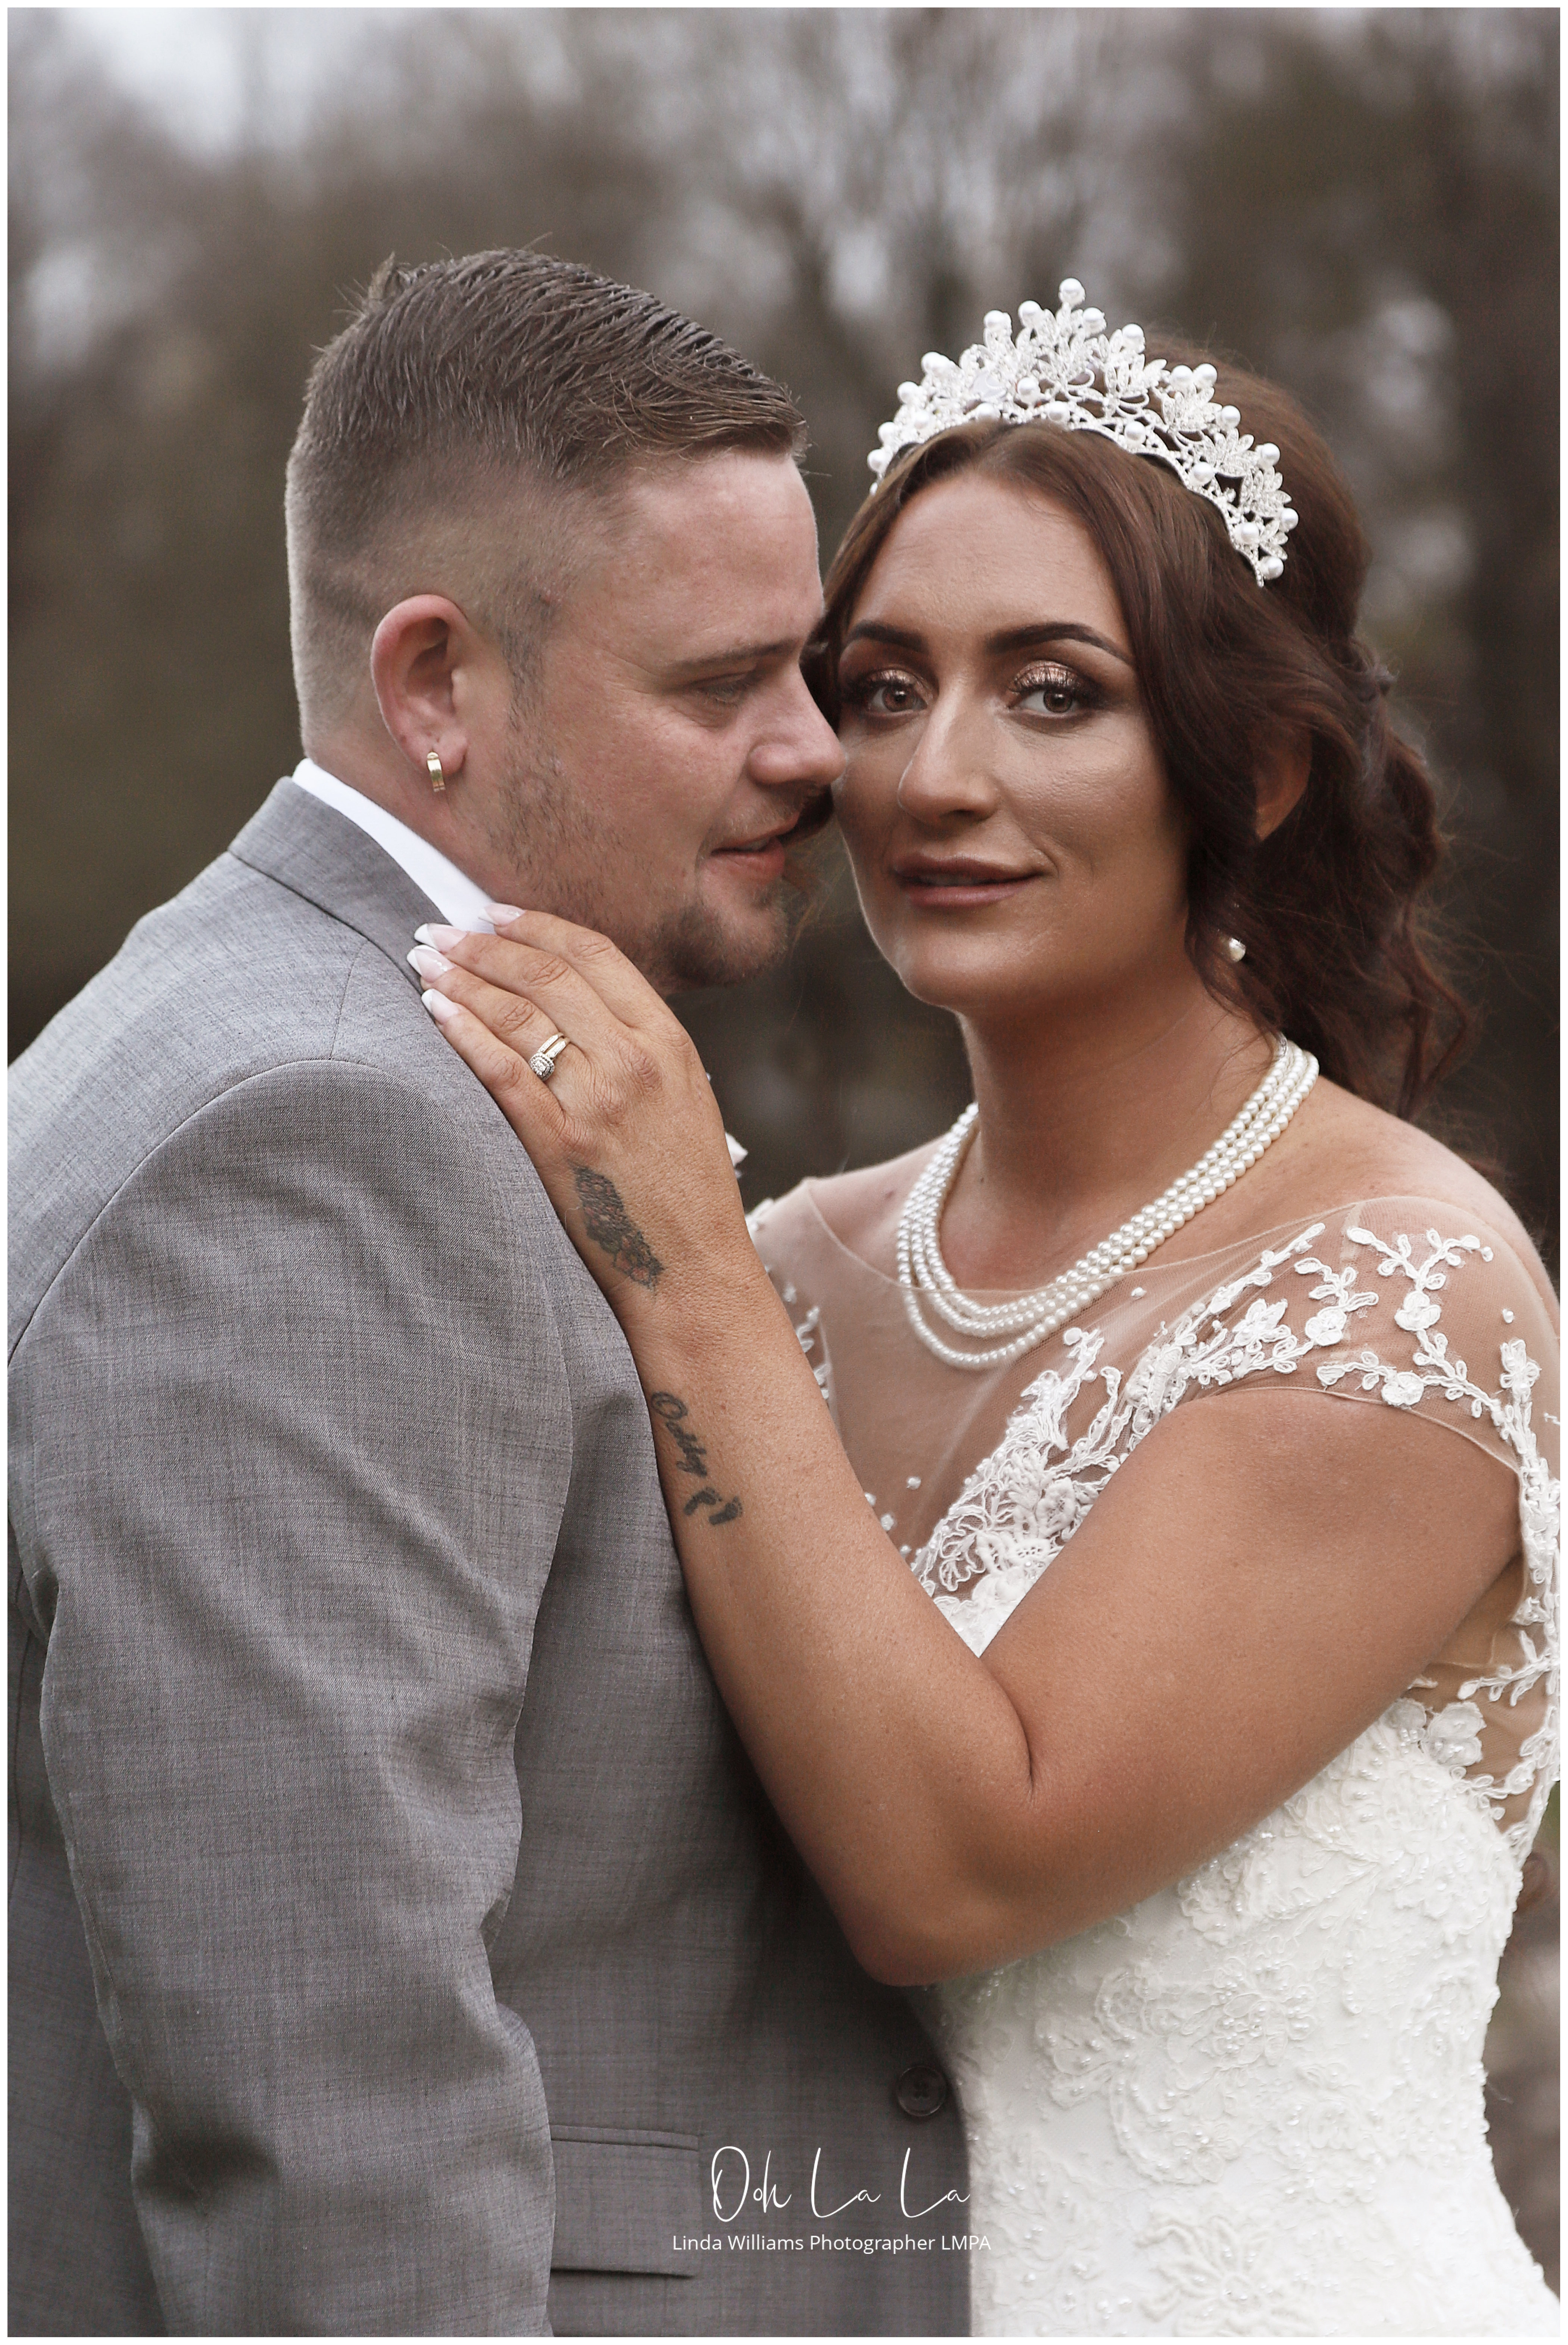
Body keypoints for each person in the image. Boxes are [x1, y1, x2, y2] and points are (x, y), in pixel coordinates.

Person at [414, 284, 1561, 2336]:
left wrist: (674, 1261)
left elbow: (958, 1869)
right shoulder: (795, 1274)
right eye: (880, 686)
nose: (936, 776)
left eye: (1053, 693)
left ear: (1265, 766)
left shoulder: (1395, 1295)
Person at [7, 251, 970, 2336]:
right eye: (723, 687)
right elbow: (327, 2120)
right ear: (436, 684)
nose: (818, 753)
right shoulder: (308, 1146)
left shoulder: (367, 1051)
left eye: (812, 671)